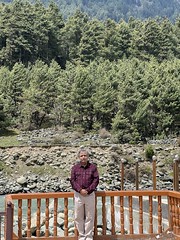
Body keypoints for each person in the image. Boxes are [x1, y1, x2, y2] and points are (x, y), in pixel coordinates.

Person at [70, 148, 99, 240]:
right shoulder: (75, 168)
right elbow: (72, 180)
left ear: (88, 157)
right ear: (79, 157)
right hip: (78, 195)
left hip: (90, 195)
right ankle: (82, 236)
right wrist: (80, 190)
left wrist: (88, 190)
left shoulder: (93, 167)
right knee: (78, 216)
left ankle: (89, 236)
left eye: (85, 155)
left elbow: (96, 180)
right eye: (81, 156)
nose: (83, 157)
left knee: (90, 216)